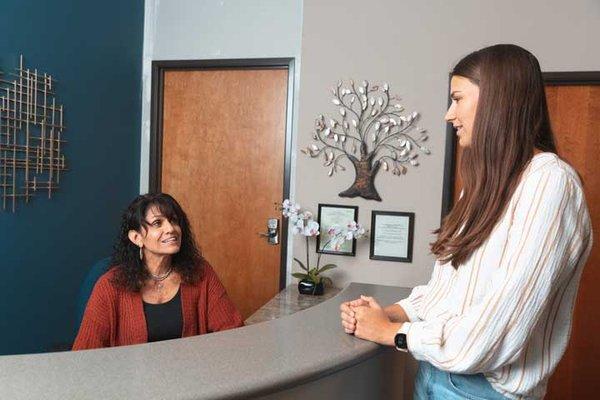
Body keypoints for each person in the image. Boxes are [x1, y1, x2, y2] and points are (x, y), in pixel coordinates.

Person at [340, 44, 593, 399]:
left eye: (458, 98)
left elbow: (495, 332)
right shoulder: (482, 186)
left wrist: (388, 332)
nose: (448, 114)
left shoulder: (550, 183)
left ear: (496, 100)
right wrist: (391, 313)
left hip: (481, 391)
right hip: (433, 376)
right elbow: (449, 295)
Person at [73, 193, 243, 350]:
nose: (171, 228)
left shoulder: (200, 272)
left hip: (190, 377)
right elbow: (85, 352)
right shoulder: (110, 285)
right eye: (157, 223)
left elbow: (232, 331)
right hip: (131, 380)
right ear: (136, 238)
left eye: (174, 220)